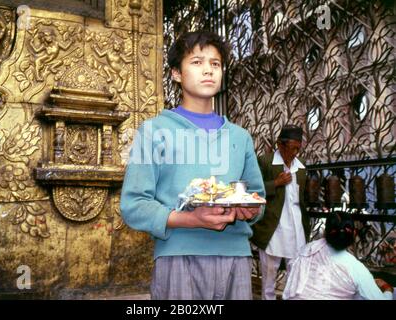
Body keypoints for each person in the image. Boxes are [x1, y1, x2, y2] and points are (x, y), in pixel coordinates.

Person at [120, 31, 266, 300]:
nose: (208, 71)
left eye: (215, 64)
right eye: (197, 62)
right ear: (176, 73)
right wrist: (190, 218)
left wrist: (249, 208)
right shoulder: (153, 131)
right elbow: (134, 205)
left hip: (237, 257)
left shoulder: (240, 137)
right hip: (178, 257)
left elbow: (256, 196)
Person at [250, 125, 310, 300]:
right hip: (273, 229)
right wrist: (275, 183)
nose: (295, 153)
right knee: (269, 277)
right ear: (280, 145)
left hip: (296, 228)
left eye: (298, 148)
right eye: (292, 148)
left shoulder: (301, 167)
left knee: (295, 277)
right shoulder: (265, 162)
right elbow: (253, 191)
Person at [283, 212, 394, 300]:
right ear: (354, 234)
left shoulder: (305, 250)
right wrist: (387, 289)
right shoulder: (355, 268)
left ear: (325, 233)